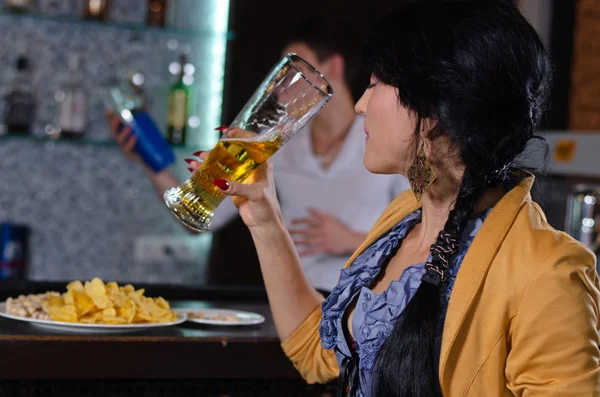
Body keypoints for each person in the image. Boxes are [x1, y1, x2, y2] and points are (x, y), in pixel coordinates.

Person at [190, 1, 600, 396]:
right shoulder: (403, 219)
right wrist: (265, 217)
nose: (363, 105)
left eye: (374, 85)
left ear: (433, 111)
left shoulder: (548, 271)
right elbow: (318, 355)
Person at [107, 17, 409, 293]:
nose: (281, 87)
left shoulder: (382, 140)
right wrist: (146, 158)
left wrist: (352, 241)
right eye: (280, 74)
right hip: (296, 303)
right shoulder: (277, 144)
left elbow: (426, 238)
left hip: (363, 304)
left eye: (296, 70)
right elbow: (200, 219)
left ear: (333, 68)